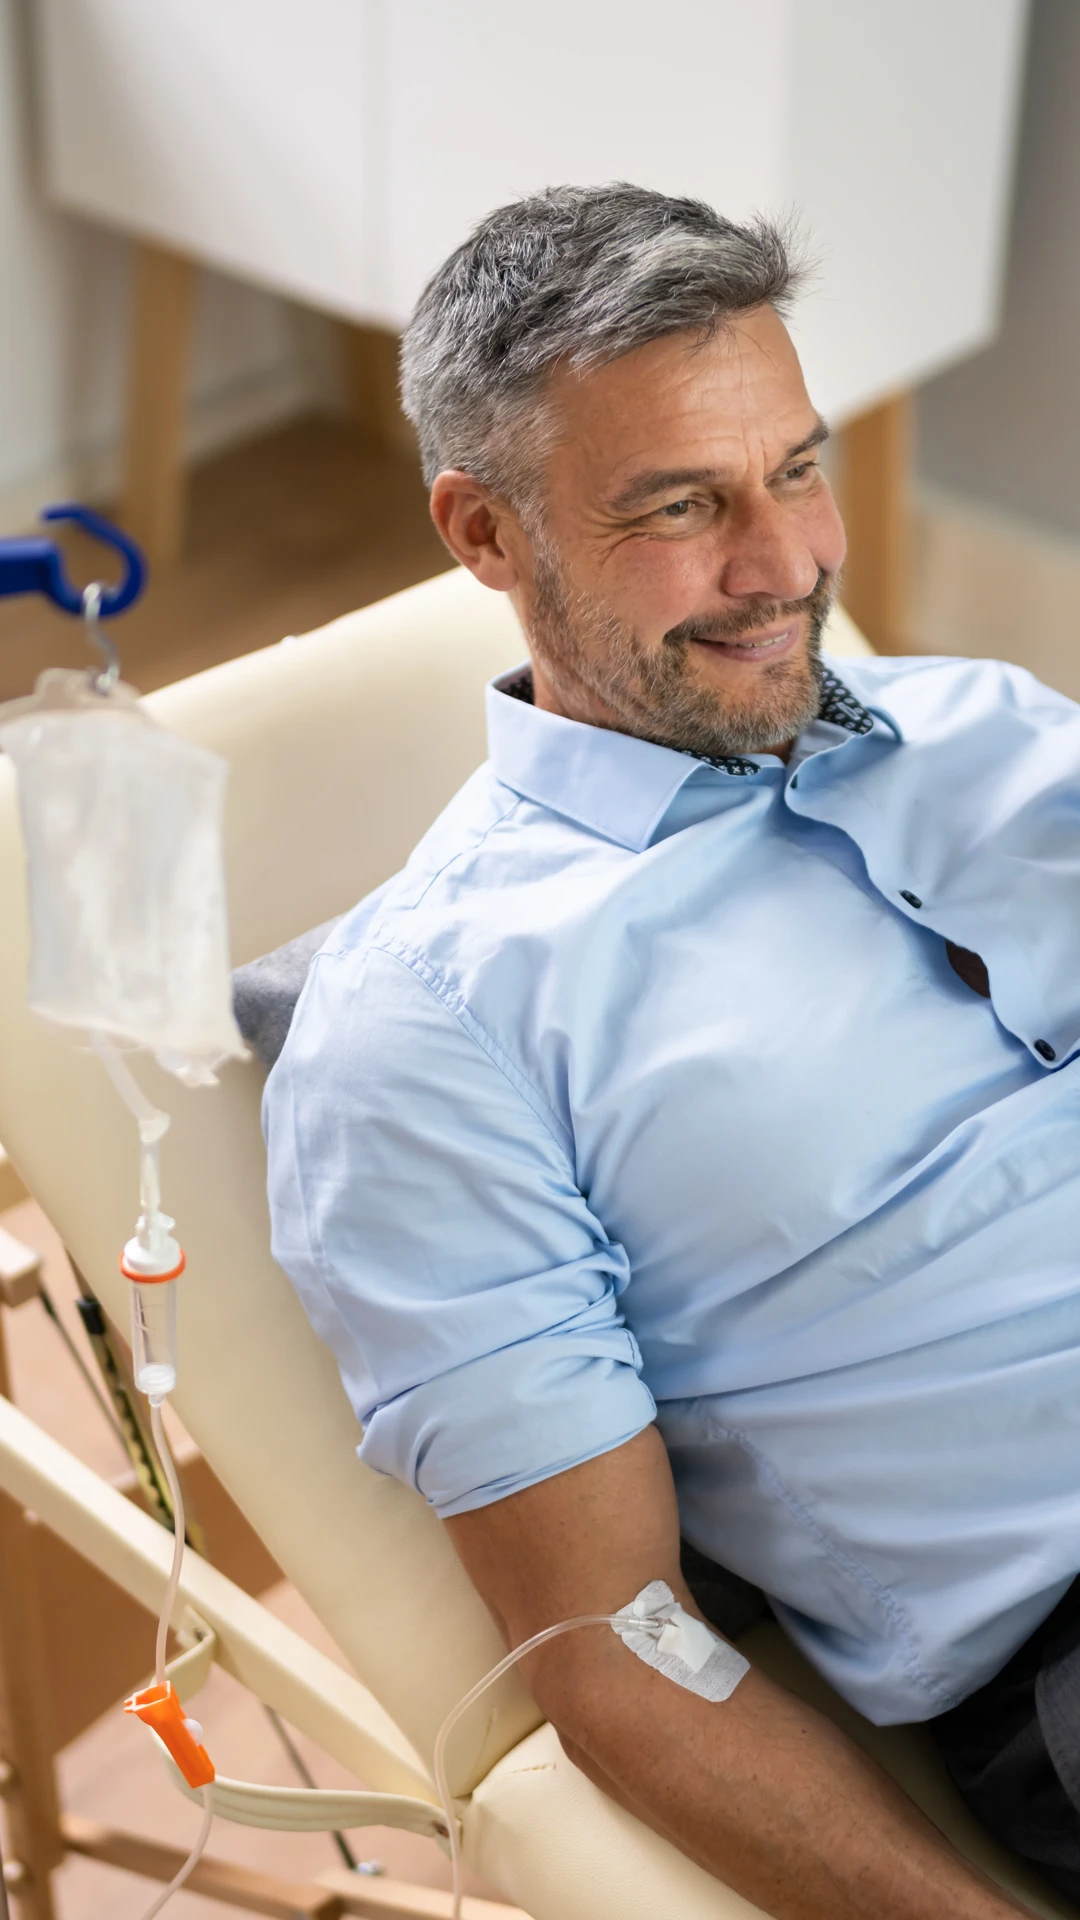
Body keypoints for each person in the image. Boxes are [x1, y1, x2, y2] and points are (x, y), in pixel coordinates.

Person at [264, 184, 1080, 1919]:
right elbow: (618, 1658)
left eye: (794, 466)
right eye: (682, 506)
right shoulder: (431, 1034)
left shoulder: (990, 725)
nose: (787, 562)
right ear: (486, 538)